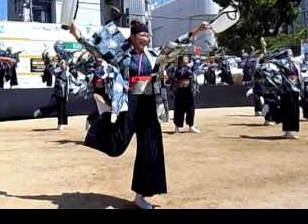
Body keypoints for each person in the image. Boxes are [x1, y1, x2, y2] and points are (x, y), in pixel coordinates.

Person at [69, 19, 210, 209]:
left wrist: (198, 31)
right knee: (116, 143)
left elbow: (178, 45)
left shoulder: (154, 56)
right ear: (133, 37)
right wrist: (76, 34)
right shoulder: (121, 55)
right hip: (129, 103)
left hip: (149, 105)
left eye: (147, 35)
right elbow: (96, 49)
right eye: (142, 35)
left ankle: (140, 195)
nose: (146, 38)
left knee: (151, 149)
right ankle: (100, 120)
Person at [34, 59, 72, 130]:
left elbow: (72, 80)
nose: (62, 65)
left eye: (63, 64)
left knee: (61, 109)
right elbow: (52, 71)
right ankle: (41, 111)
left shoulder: (67, 73)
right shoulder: (58, 71)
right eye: (61, 64)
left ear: (66, 65)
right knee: (56, 107)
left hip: (64, 94)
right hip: (57, 93)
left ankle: (61, 123)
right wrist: (51, 64)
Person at [167, 55, 201, 134]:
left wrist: (196, 57)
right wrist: (172, 61)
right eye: (185, 59)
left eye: (187, 59)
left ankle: (191, 126)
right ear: (181, 60)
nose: (186, 60)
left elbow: (197, 64)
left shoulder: (190, 68)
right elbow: (169, 73)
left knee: (190, 108)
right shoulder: (175, 69)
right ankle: (177, 127)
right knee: (179, 109)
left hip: (188, 90)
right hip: (179, 91)